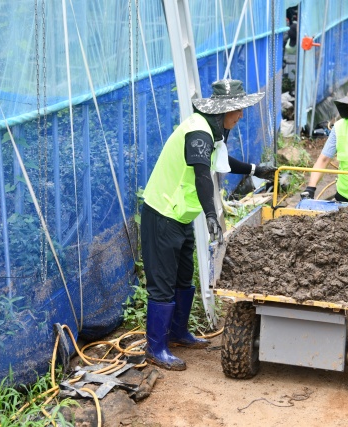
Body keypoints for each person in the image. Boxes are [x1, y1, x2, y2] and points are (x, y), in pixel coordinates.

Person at [140, 79, 277, 371]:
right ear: (223, 110)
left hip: (181, 215)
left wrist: (256, 170)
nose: (240, 116)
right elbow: (203, 175)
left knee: (183, 277)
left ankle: (176, 333)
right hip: (162, 213)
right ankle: (156, 348)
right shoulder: (198, 133)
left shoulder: (213, 133)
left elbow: (221, 163)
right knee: (162, 283)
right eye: (237, 109)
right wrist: (212, 214)